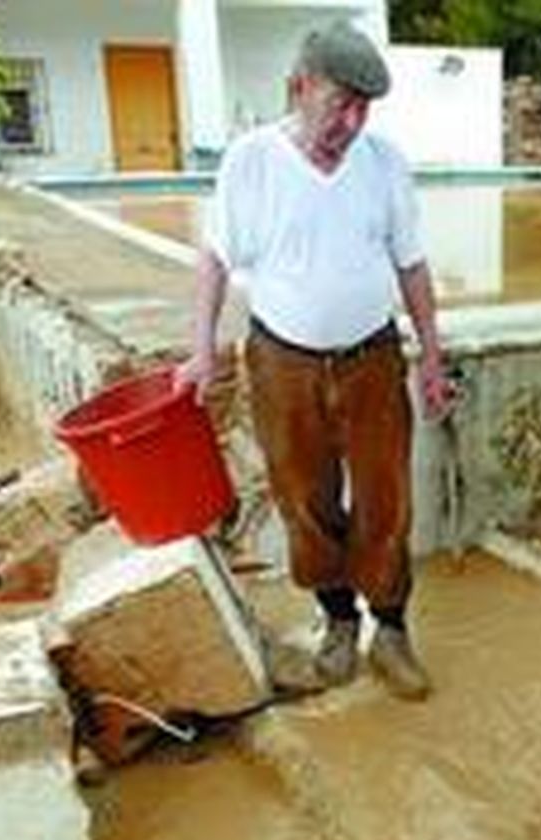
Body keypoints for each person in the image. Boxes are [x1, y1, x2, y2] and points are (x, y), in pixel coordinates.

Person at [178, 19, 456, 700]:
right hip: (282, 363)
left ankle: (390, 632)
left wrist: (430, 357)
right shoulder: (251, 159)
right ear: (299, 87)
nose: (353, 122)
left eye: (365, 108)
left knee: (385, 497)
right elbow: (215, 257)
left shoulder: (384, 162)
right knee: (304, 498)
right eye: (341, 104)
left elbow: (412, 265)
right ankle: (338, 625)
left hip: (372, 358)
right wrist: (200, 349)